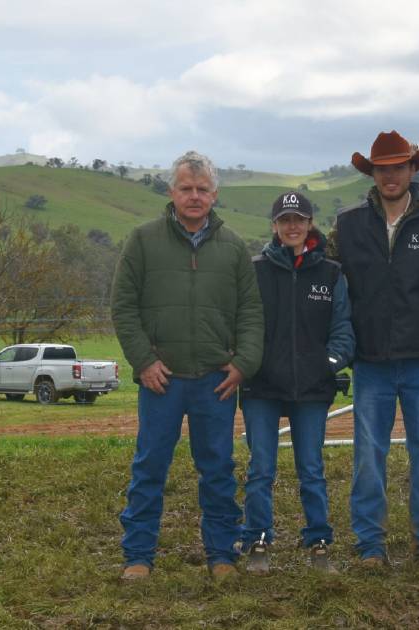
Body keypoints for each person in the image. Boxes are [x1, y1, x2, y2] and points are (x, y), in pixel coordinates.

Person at [111, 150, 264, 581]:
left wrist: (242, 365)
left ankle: (221, 556)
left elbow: (251, 312)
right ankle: (138, 557)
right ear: (171, 192)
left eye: (202, 189)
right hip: (162, 380)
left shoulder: (234, 248)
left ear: (215, 194)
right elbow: (123, 307)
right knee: (149, 468)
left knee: (218, 469)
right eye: (186, 188)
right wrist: (143, 361)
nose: (194, 196)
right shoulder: (142, 241)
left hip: (216, 381)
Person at [332, 131, 419, 566]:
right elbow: (331, 284)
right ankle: (369, 545)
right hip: (370, 358)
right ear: (372, 174)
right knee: (368, 453)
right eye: (382, 169)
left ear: (413, 169)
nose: (390, 176)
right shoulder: (348, 224)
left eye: (398, 167)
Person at [239, 191, 355, 575]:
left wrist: (326, 365)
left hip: (312, 388)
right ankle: (257, 539)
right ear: (274, 225)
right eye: (285, 219)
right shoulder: (253, 270)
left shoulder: (331, 273)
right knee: (260, 468)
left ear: (310, 224)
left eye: (299, 219)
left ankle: (319, 541)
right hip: (261, 387)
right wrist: (249, 364)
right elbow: (241, 325)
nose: (292, 226)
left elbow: (343, 331)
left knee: (311, 468)